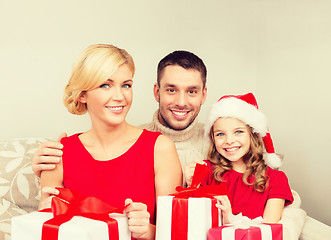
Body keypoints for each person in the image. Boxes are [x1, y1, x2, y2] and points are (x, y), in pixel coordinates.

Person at [33, 50, 307, 239]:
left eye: (192, 91)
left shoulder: (223, 143)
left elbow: (272, 190)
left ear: (204, 95)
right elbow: (46, 222)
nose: (181, 102)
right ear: (156, 91)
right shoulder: (74, 149)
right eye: (171, 90)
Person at [38, 44, 182, 240]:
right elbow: (47, 229)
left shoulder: (160, 148)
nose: (120, 96)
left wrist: (146, 230)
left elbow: (175, 234)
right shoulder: (59, 154)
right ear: (82, 94)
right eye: (105, 85)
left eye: (126, 85)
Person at [185, 93, 293, 224]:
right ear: (213, 139)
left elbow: (268, 230)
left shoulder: (276, 179)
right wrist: (192, 184)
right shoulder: (206, 170)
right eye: (220, 134)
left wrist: (230, 220)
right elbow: (192, 221)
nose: (229, 141)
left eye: (238, 132)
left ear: (252, 135)